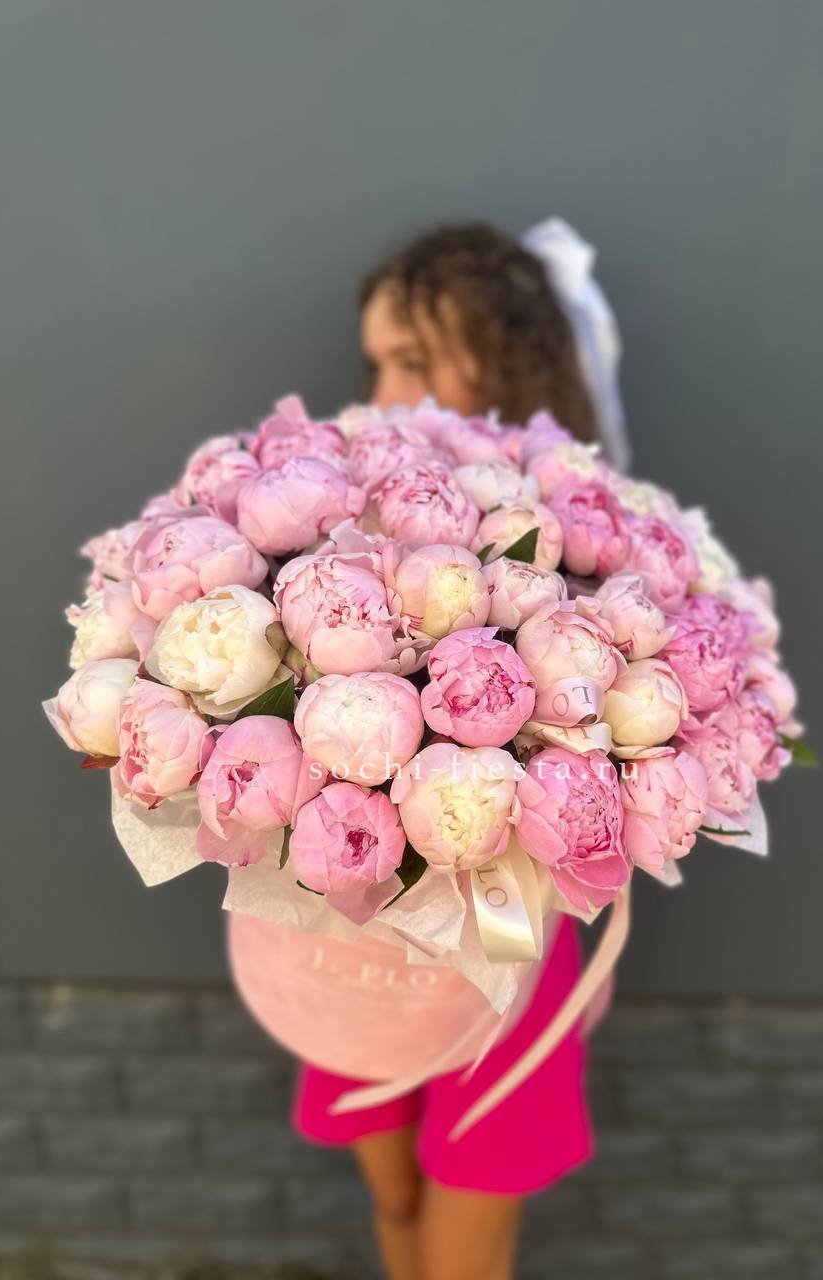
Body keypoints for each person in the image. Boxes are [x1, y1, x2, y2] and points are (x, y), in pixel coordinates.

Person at [291, 219, 628, 1280]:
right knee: (395, 1191)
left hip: (503, 926)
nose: (388, 394)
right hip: (361, 923)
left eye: (415, 360)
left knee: (471, 1204)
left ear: (506, 357)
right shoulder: (337, 503)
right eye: (377, 364)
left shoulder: (581, 523)